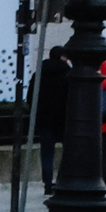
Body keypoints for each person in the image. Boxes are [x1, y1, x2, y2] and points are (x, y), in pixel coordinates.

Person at [33, 46, 71, 190]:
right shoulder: (68, 74)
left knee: (47, 153)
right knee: (68, 151)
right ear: (62, 57)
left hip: (44, 120)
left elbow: (31, 96)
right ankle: (61, 179)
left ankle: (48, 183)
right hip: (64, 119)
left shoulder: (40, 73)